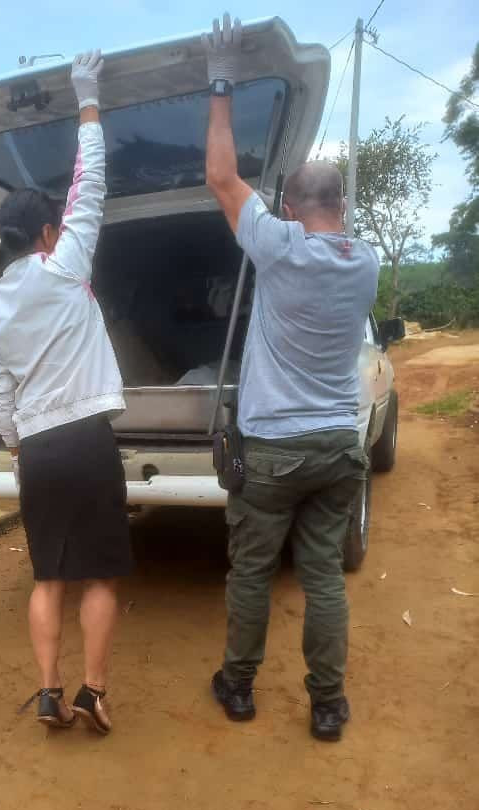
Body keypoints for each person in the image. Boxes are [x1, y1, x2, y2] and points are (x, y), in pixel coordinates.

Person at [203, 15, 379, 742]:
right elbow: (311, 220)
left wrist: (222, 78)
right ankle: (328, 704)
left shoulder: (277, 249)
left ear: (291, 205)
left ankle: (239, 688)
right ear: (340, 205)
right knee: (324, 579)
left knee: (251, 572)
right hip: (339, 444)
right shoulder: (364, 261)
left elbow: (220, 177)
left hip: (274, 451)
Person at [0, 51, 132, 735]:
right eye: (57, 226)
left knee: (48, 579)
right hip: (88, 440)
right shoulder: (65, 266)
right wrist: (86, 96)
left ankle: (47, 693)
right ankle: (93, 692)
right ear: (45, 233)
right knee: (99, 576)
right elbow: (89, 184)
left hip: (35, 448)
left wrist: (16, 448)